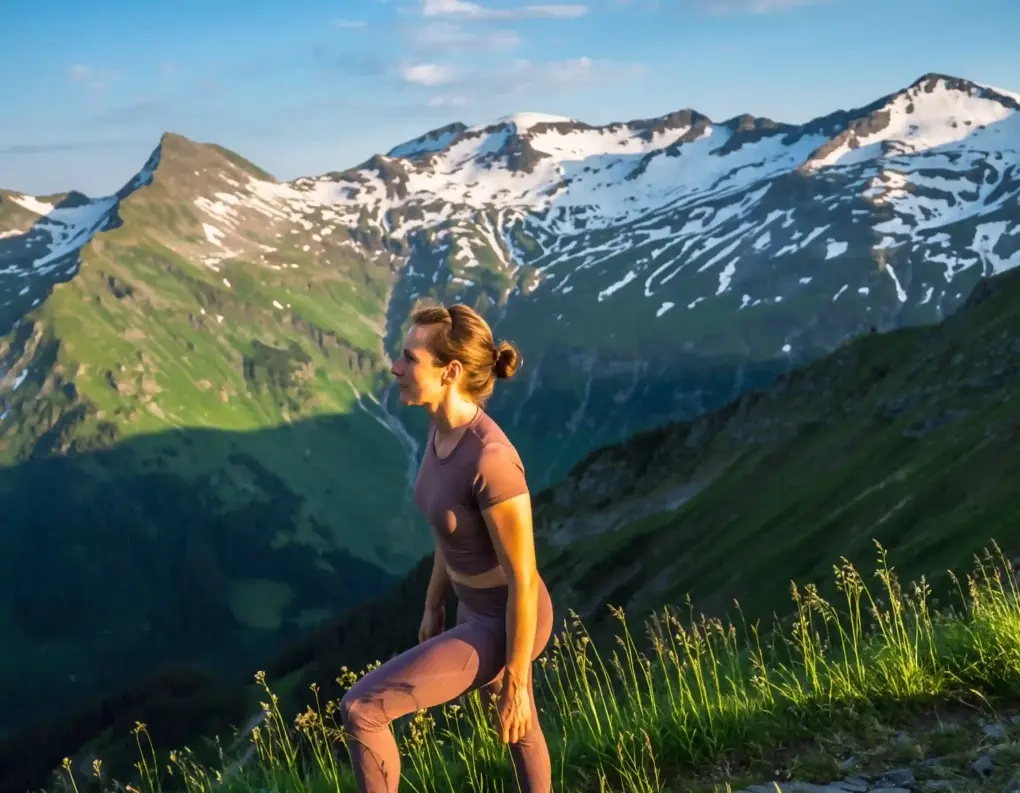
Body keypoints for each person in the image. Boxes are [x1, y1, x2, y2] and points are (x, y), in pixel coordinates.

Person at [339, 303, 554, 793]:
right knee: (520, 729)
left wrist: (518, 678)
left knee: (362, 709)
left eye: (411, 358)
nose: (396, 366)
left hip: (510, 616)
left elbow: (523, 575)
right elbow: (450, 528)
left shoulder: (492, 460)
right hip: (472, 606)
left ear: (450, 372)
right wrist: (434, 602)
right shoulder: (441, 430)